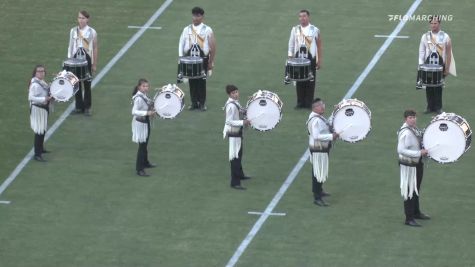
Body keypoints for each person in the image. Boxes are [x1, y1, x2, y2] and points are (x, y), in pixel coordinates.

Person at [178, 6, 216, 111]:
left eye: (198, 15)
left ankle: (202, 103)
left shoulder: (207, 29)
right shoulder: (186, 29)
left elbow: (213, 46)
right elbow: (181, 43)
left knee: (201, 81)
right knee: (192, 81)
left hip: (202, 59)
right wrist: (181, 57)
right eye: (194, 15)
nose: (195, 17)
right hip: (189, 59)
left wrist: (211, 62)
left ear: (202, 17)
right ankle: (194, 103)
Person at [397, 109, 431, 227]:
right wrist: (418, 153)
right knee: (409, 191)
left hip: (417, 163)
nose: (413, 119)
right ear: (406, 119)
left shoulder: (414, 129)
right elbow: (400, 150)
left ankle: (416, 212)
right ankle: (409, 218)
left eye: (414, 117)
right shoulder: (405, 132)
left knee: (416, 189)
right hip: (409, 165)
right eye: (410, 117)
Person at [418, 15, 454, 114]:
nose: (433, 25)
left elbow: (448, 53)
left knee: (438, 86)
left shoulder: (445, 36)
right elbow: (421, 51)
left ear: (439, 24)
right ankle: (430, 107)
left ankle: (438, 107)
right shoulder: (425, 36)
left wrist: (447, 68)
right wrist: (420, 65)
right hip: (427, 65)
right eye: (432, 23)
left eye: (435, 23)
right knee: (428, 85)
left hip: (440, 65)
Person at [287, 9, 322, 109]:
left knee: (310, 81)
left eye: (304, 16)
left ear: (308, 17)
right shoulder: (295, 29)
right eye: (300, 16)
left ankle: (308, 103)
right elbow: (291, 44)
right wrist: (290, 57)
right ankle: (300, 102)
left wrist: (319, 60)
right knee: (299, 80)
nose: (302, 18)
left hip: (311, 58)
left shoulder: (314, 30)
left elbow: (319, 45)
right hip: (298, 59)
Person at [307, 98, 337, 206]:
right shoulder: (315, 120)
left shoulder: (318, 117)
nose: (323, 106)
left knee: (321, 170)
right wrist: (331, 136)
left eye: (322, 104)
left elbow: (328, 123)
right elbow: (316, 136)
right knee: (318, 172)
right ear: (315, 108)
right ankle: (317, 198)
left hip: (321, 148)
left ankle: (319, 191)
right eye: (320, 105)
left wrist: (335, 112)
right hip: (318, 148)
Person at [68, 10, 98, 116]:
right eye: (79, 18)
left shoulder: (92, 32)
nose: (81, 20)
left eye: (83, 18)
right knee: (76, 83)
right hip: (75, 59)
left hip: (87, 59)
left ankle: (87, 107)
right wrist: (69, 60)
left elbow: (94, 48)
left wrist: (94, 64)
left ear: (88, 20)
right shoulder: (73, 31)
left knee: (87, 83)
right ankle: (78, 106)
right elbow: (71, 46)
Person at [222, 85, 251, 190]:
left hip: (238, 132)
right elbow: (229, 121)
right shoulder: (231, 106)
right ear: (229, 94)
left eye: (237, 92)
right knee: (235, 156)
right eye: (233, 93)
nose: (236, 94)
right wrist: (243, 122)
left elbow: (241, 111)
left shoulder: (235, 102)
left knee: (239, 154)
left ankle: (240, 175)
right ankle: (235, 182)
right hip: (233, 133)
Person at [131, 79, 156, 177]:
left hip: (145, 122)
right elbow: (134, 111)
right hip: (140, 123)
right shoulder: (138, 98)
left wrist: (151, 110)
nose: (146, 88)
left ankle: (145, 162)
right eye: (143, 86)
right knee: (142, 146)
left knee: (145, 145)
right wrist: (147, 113)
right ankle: (139, 169)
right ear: (139, 87)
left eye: (147, 86)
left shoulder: (144, 95)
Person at [28, 65, 53, 162]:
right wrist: (44, 99)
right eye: (39, 71)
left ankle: (41, 149)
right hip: (38, 109)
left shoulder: (41, 82)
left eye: (42, 71)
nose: (41, 73)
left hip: (43, 108)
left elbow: (46, 89)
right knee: (39, 131)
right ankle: (37, 154)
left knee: (42, 130)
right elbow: (31, 97)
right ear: (35, 73)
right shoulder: (34, 84)